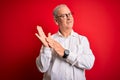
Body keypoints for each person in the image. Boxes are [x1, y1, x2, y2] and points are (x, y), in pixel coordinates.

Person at [35, 4, 95, 80]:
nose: (69, 17)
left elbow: (89, 64)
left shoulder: (82, 40)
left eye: (70, 14)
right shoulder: (50, 40)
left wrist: (66, 53)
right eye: (64, 15)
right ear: (56, 21)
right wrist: (46, 48)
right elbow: (42, 68)